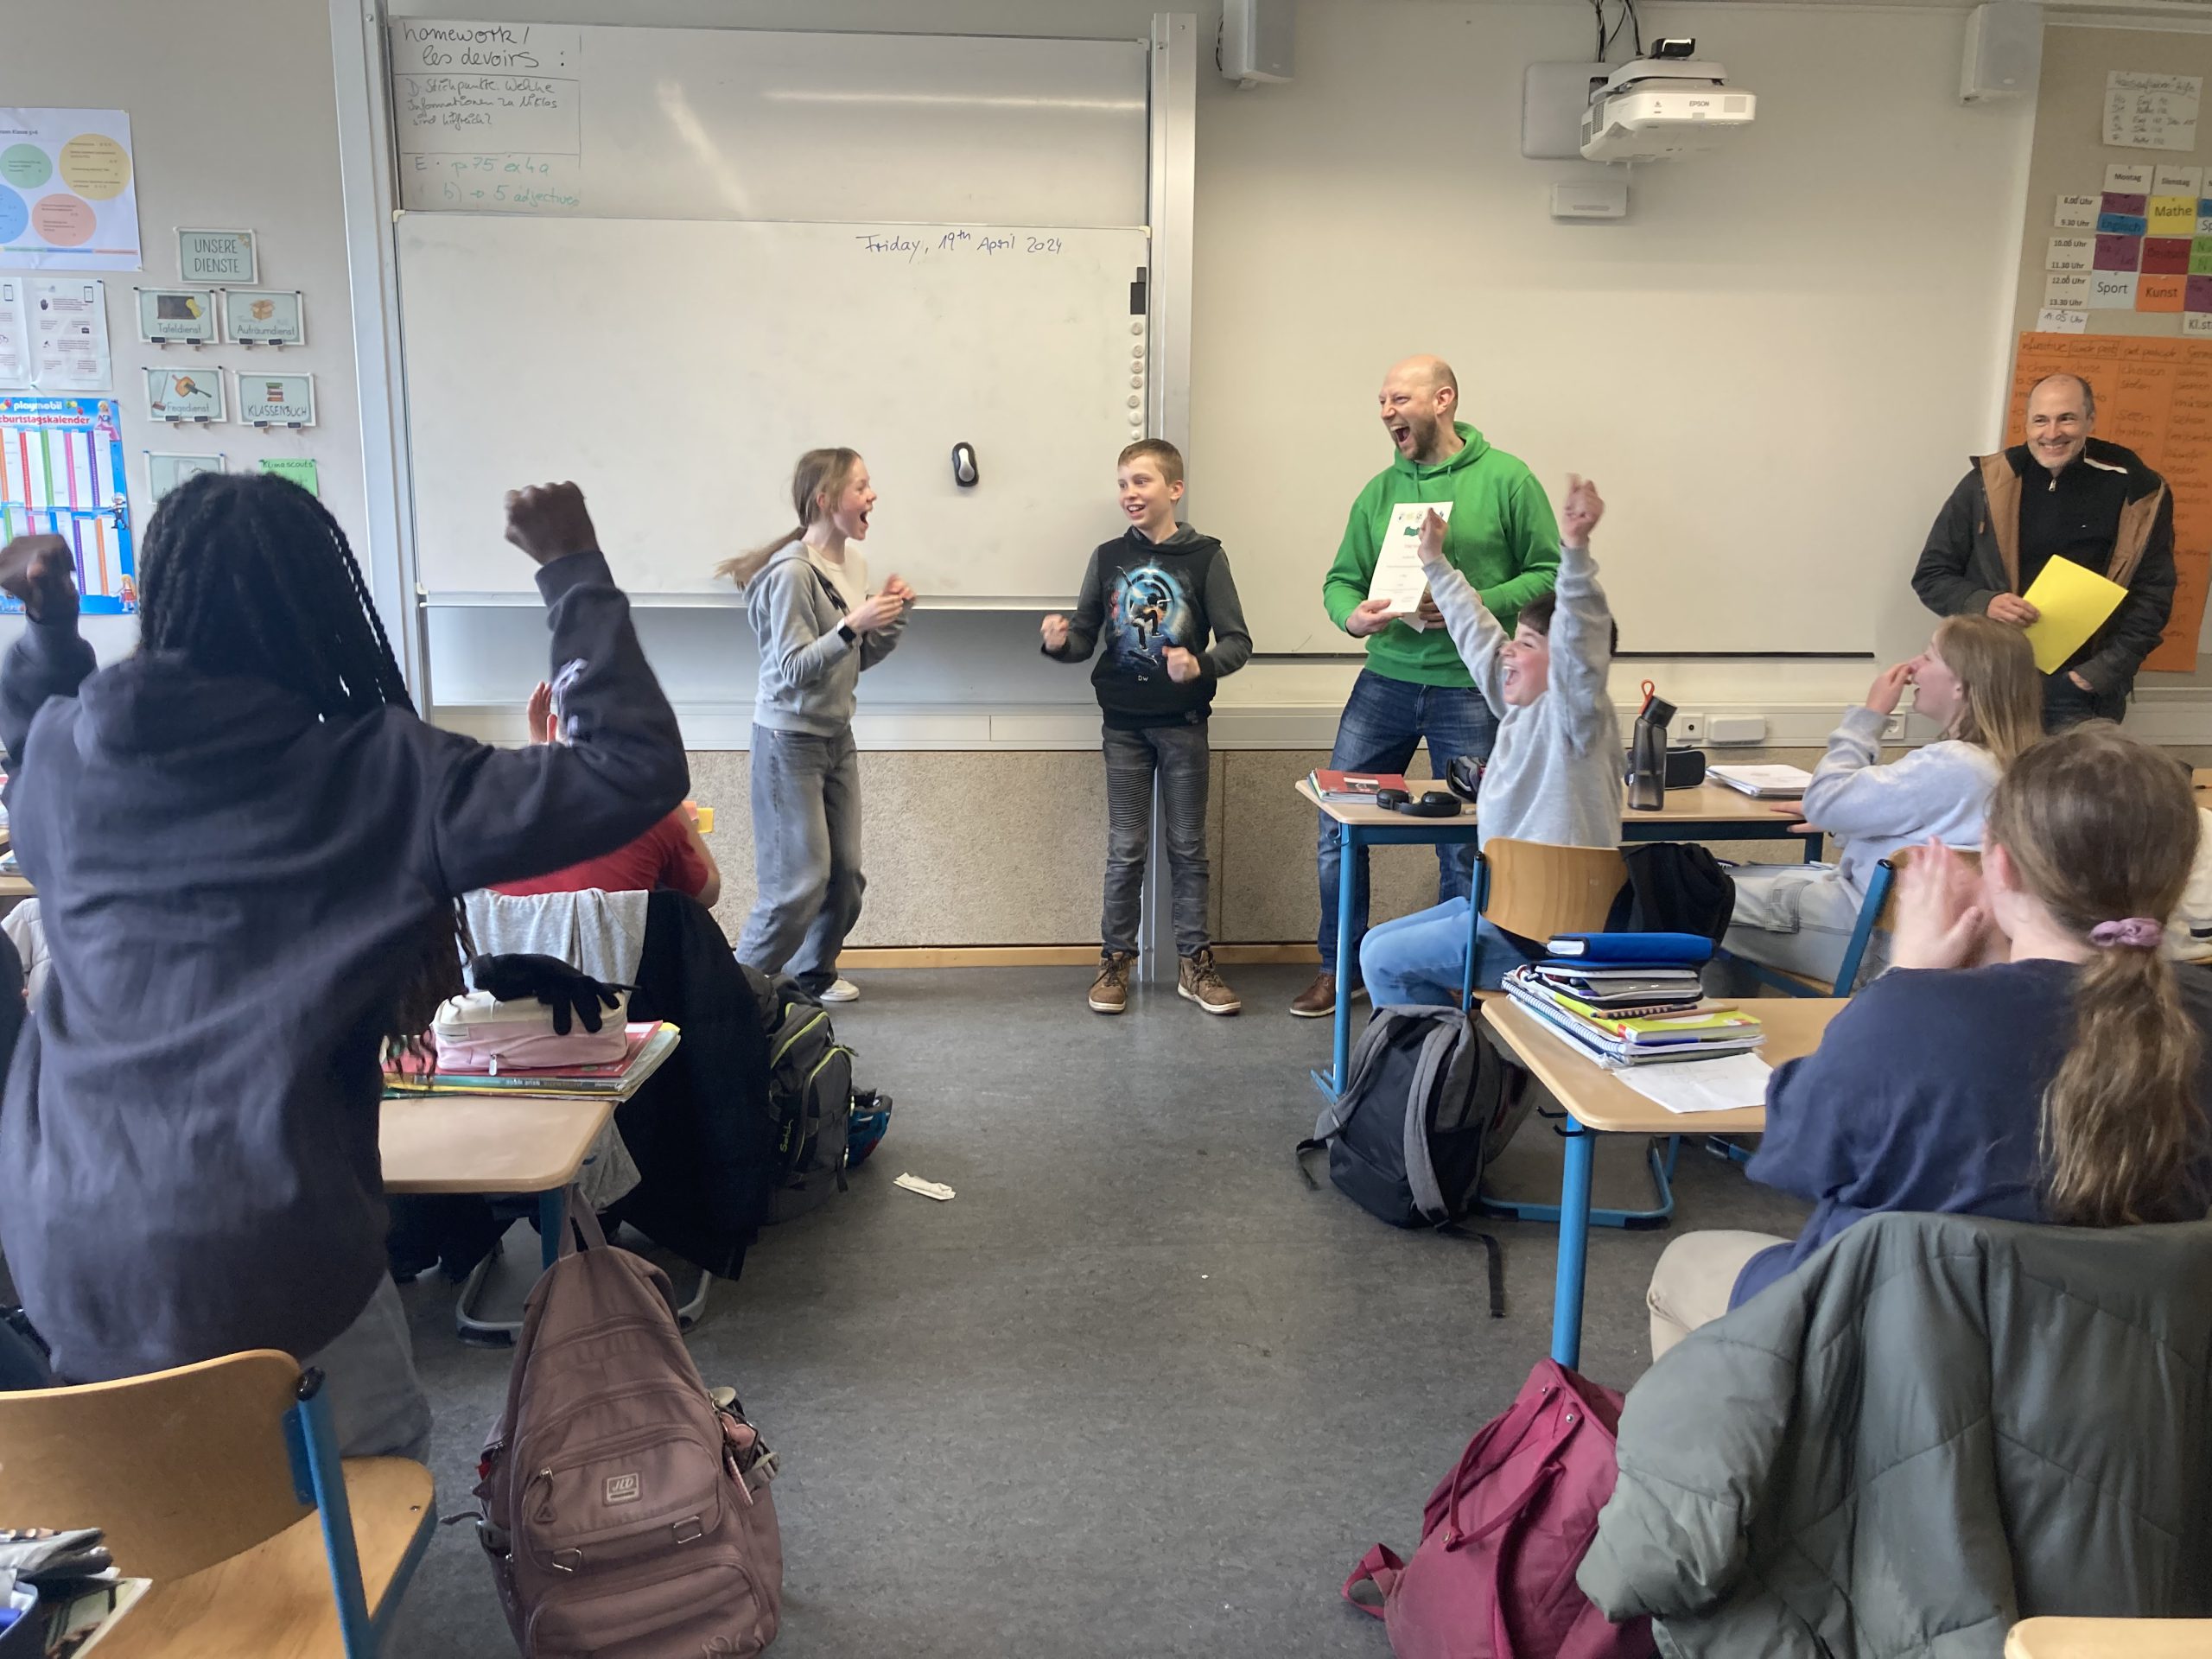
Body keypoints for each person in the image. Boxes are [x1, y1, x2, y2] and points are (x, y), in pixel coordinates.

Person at [0, 474, 687, 1453]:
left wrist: (51, 630)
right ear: (325, 611)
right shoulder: (381, 775)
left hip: (65, 1242)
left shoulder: (68, 761)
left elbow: (30, 729)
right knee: (363, 1499)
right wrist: (570, 566)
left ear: (158, 601)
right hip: (271, 1253)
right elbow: (633, 769)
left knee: (147, 1492)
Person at [1645, 722, 2212, 1361]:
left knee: (1684, 1265)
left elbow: (1792, 1155)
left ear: (1999, 864)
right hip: (2138, 1371)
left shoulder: (1915, 1016)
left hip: (1907, 1354)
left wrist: (1905, 979)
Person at [1294, 355, 1562, 1017]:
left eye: (1399, 399)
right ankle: (1338, 967)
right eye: (1381, 402)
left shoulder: (1508, 479)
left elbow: (1549, 573)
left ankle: (1455, 976)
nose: (1387, 411)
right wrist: (1351, 617)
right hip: (1385, 679)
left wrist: (1475, 600)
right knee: (1337, 826)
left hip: (1472, 684)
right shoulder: (1379, 492)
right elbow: (1340, 581)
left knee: (1467, 839)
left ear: (1443, 400)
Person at [1358, 477, 1619, 1003]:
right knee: (1374, 943)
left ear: (1567, 664)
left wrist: (1574, 549)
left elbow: (1582, 638)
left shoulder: (1575, 717)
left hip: (1548, 933)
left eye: (1527, 644)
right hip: (1506, 909)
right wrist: (1433, 561)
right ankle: (1455, 1048)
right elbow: (1476, 633)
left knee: (1382, 960)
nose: (1508, 651)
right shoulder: (1519, 707)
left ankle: (1446, 1057)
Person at [1042, 438, 1252, 1016]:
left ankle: (1194, 964)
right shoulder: (1108, 557)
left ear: (1174, 489)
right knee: (1126, 847)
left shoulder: (1206, 557)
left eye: (1141, 481)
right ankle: (1115, 962)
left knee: (1188, 846)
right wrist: (1059, 642)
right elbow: (1084, 637)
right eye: (1122, 484)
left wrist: (1200, 665)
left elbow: (1238, 642)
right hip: (1124, 727)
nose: (1129, 494)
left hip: (1184, 725)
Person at [1721, 615, 2041, 988]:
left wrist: (1870, 717)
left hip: (1879, 945)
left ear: (1960, 683)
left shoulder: (1953, 764)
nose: (1913, 666)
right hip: (1945, 946)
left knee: (1693, 899)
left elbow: (1823, 800)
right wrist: (1844, 818)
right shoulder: (2023, 766)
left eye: (1928, 656)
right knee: (1714, 883)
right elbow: (1922, 830)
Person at [717, 449, 911, 1005]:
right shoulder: (792, 573)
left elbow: (852, 660)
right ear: (826, 500)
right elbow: (792, 669)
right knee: (798, 885)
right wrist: (853, 624)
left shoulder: (853, 566)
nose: (872, 495)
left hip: (835, 738)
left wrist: (889, 621)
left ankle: (813, 974)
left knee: (845, 876)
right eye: (861, 487)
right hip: (787, 742)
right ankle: (732, 994)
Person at [1912, 372, 2176, 730]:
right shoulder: (1987, 483)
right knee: (1982, 770)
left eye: (2066, 418)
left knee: (2074, 771)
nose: (2052, 433)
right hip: (1990, 681)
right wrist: (1984, 602)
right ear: (2026, 423)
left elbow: (2153, 595)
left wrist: (2098, 674)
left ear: (2090, 420)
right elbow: (1931, 575)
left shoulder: (2139, 491)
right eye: (2041, 420)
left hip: (2079, 690)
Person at [493, 674, 721, 907]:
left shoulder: (488, 817)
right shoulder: (650, 818)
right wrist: (667, 794)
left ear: (552, 729)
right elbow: (708, 892)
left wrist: (543, 758)